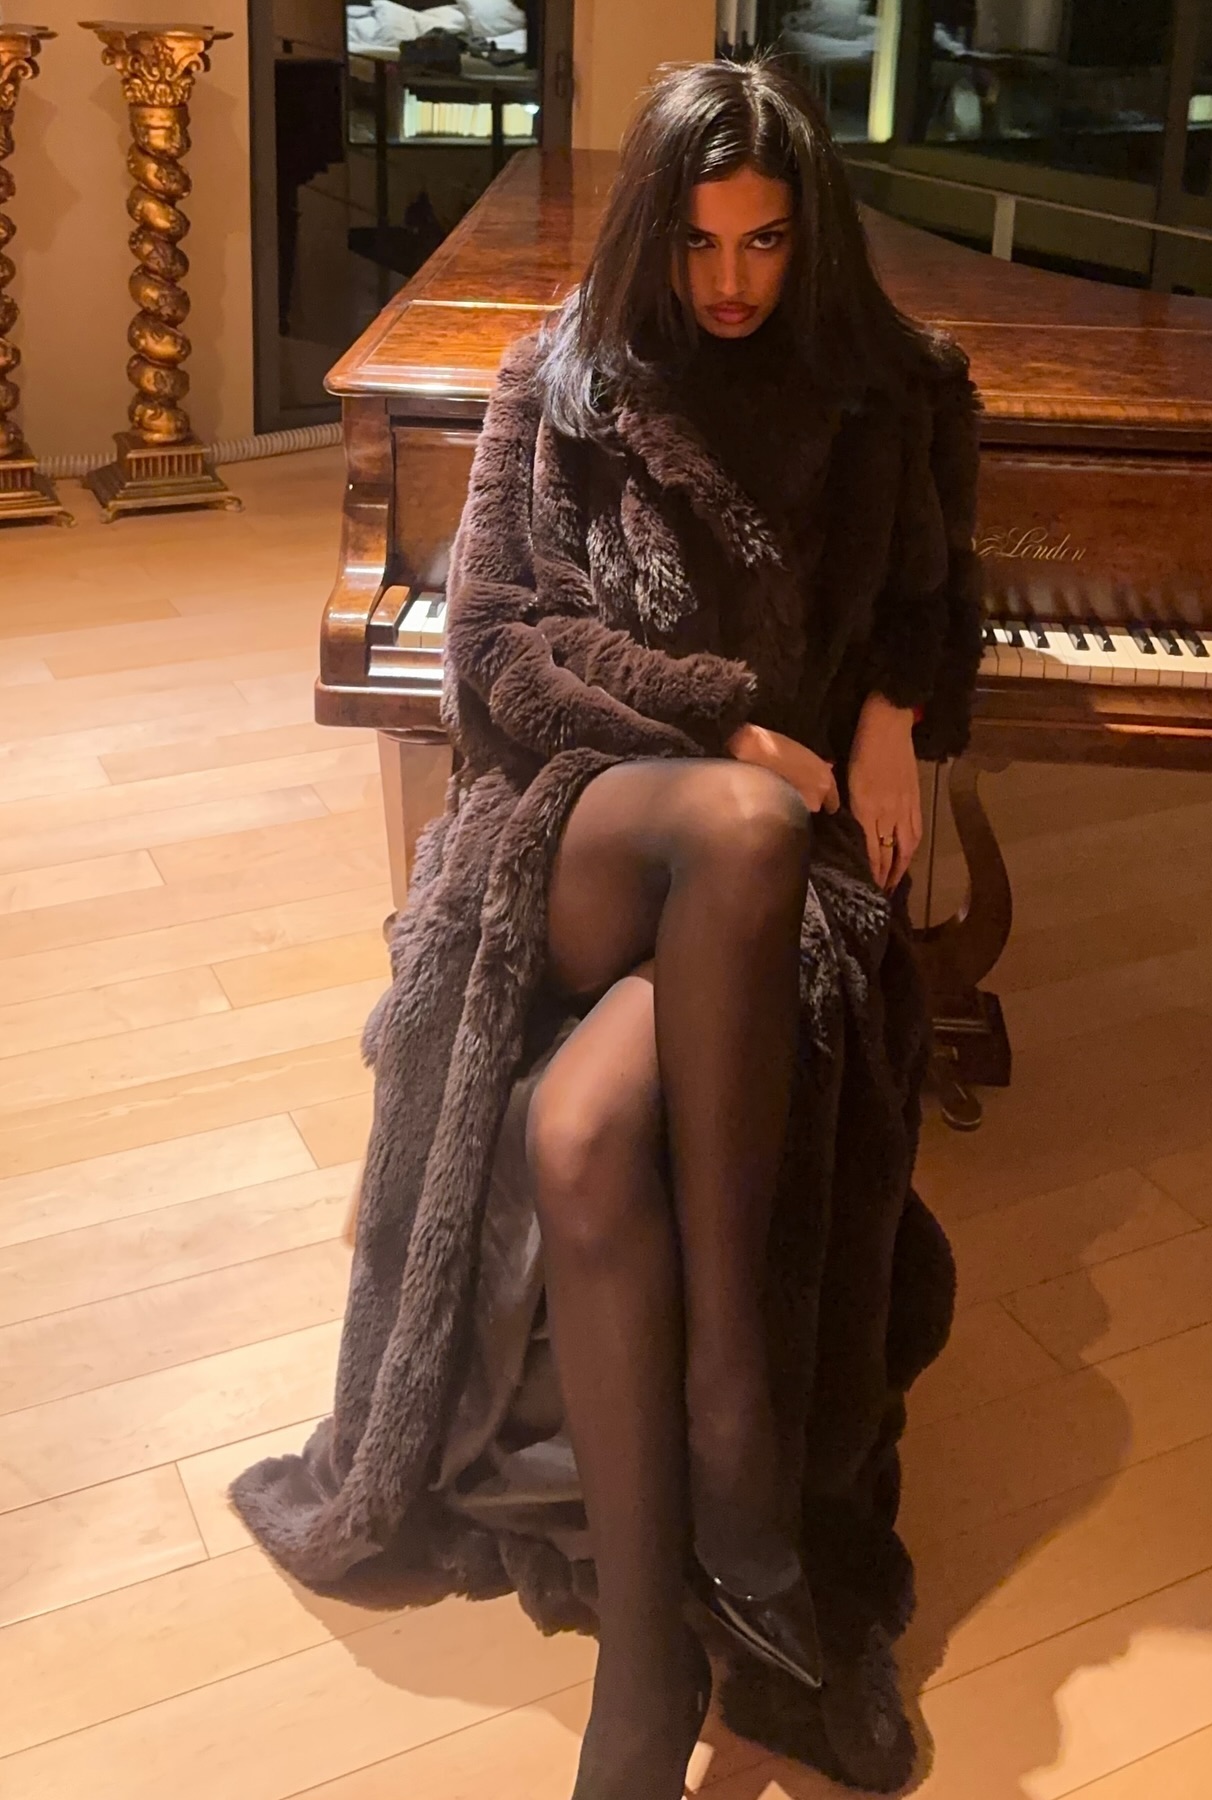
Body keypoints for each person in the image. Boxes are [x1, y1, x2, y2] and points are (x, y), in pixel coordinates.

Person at [233, 55, 982, 1799]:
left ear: (809, 237)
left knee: (583, 1132)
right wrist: (725, 719)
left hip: (769, 878)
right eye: (701, 243)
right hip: (578, 828)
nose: (731, 281)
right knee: (737, 813)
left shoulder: (889, 395)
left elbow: (936, 595)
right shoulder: (558, 380)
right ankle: (736, 1422)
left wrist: (894, 705)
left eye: (767, 242)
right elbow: (493, 654)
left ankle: (649, 1671)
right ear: (655, 231)